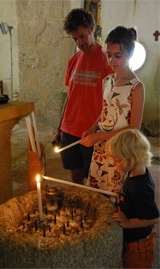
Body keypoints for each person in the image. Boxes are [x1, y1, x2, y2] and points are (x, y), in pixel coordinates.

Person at [81, 26, 145, 193]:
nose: (112, 61)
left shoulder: (136, 87)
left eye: (118, 56)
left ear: (130, 54)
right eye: (108, 55)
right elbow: (105, 111)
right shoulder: (107, 80)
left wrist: (100, 136)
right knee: (98, 194)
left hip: (120, 151)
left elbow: (134, 129)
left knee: (116, 196)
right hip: (101, 148)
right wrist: (92, 128)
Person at [54, 8, 112, 184]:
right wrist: (60, 128)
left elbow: (110, 101)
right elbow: (70, 97)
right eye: (75, 39)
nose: (79, 42)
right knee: (76, 176)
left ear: (92, 28)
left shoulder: (107, 60)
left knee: (95, 178)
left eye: (82, 36)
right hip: (70, 129)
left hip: (93, 131)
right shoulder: (73, 61)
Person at [105, 129, 159, 268]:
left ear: (132, 158)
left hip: (138, 244)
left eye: (117, 160)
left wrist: (128, 223)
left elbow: (154, 218)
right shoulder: (136, 173)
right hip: (134, 239)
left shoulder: (140, 187)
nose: (114, 164)